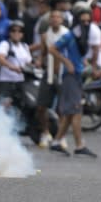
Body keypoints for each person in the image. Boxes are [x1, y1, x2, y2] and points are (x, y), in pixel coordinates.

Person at [48, 3, 98, 158]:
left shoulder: (81, 35)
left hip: (77, 75)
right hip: (70, 77)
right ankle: (79, 145)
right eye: (82, 21)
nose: (85, 24)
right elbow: (52, 48)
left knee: (70, 113)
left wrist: (83, 62)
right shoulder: (70, 35)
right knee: (76, 112)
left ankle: (56, 142)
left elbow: (78, 54)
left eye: (87, 21)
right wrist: (66, 62)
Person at [36, 10, 68, 148]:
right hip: (48, 74)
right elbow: (42, 54)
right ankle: (45, 132)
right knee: (41, 106)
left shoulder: (67, 35)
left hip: (62, 74)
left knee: (62, 109)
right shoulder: (45, 36)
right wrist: (39, 61)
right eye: (52, 17)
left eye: (57, 17)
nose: (55, 19)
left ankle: (61, 136)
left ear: (62, 19)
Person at [0, 20, 32, 108]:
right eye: (13, 31)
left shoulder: (25, 46)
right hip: (6, 81)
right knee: (3, 107)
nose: (16, 33)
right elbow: (0, 58)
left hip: (20, 82)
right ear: (9, 33)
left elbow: (29, 62)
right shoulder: (5, 44)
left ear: (22, 34)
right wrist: (12, 67)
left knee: (20, 107)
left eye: (19, 31)